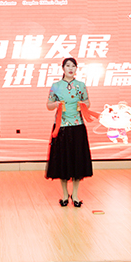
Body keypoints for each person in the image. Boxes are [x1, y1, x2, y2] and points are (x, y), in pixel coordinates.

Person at [46, 57, 93, 207]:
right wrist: (56, 104)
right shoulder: (56, 86)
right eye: (68, 66)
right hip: (61, 127)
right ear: (63, 68)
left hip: (78, 126)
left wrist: (82, 104)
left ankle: (76, 195)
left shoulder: (81, 85)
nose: (70, 69)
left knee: (77, 160)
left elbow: (87, 102)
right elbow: (48, 105)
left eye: (73, 66)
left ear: (76, 68)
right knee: (62, 161)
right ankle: (65, 194)